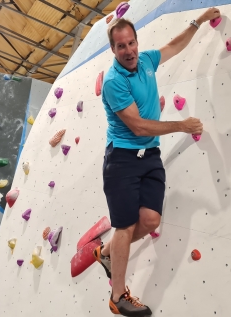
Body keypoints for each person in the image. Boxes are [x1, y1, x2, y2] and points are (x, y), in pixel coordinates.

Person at [92, 7, 220, 317]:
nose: (128, 50)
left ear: (137, 42)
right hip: (122, 159)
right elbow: (138, 126)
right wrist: (181, 125)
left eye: (131, 43)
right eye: (121, 46)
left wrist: (197, 22)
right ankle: (118, 296)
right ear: (113, 49)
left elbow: (175, 45)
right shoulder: (113, 81)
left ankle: (104, 252)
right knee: (124, 227)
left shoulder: (146, 60)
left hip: (149, 157)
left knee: (149, 221)